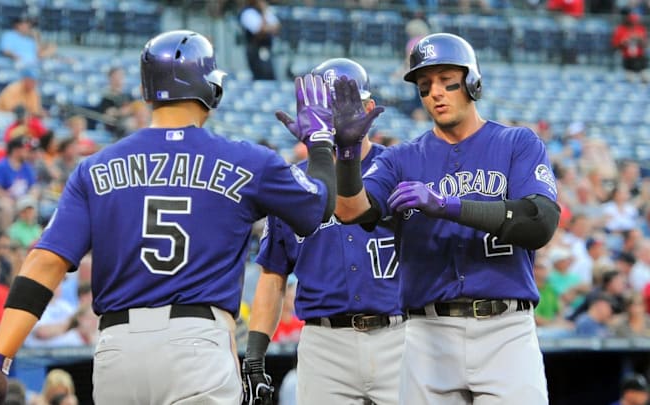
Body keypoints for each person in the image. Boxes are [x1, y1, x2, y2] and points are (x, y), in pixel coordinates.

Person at [0, 29, 337, 405]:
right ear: (211, 89)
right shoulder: (247, 160)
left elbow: (44, 263)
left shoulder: (94, 168)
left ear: (147, 92)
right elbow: (318, 207)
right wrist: (321, 142)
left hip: (117, 349)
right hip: (196, 342)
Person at [331, 33, 560, 404]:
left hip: (505, 329)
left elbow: (540, 222)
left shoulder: (518, 143)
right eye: (425, 86)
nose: (435, 93)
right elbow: (350, 210)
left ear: (472, 82)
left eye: (447, 82)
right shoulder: (401, 159)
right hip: (428, 334)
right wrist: (345, 153)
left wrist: (449, 205)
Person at [243, 58, 404, 405]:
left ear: (369, 108)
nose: (338, 116)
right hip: (324, 341)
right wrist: (255, 354)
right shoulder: (293, 183)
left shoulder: (400, 167)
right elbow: (273, 275)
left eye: (347, 104)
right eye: (329, 107)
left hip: (400, 334)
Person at [238, 0, 279, 80]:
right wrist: (264, 13)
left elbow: (277, 27)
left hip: (266, 49)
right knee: (261, 76)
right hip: (255, 51)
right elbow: (260, 30)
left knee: (270, 76)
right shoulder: (247, 12)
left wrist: (264, 12)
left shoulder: (265, 11)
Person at [612, 9, 649, 84]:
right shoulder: (620, 29)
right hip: (627, 59)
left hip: (640, 58)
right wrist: (624, 43)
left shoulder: (640, 28)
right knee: (630, 81)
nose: (632, 22)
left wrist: (639, 39)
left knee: (645, 79)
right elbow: (615, 46)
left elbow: (646, 45)